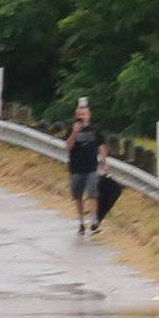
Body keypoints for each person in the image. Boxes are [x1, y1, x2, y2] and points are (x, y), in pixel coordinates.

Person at [65, 99, 108, 237]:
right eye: (79, 114)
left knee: (92, 194)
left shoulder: (95, 130)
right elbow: (68, 147)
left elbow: (101, 147)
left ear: (89, 115)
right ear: (76, 115)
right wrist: (74, 133)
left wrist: (104, 163)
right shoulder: (71, 128)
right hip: (76, 168)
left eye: (84, 114)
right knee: (77, 196)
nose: (82, 116)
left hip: (91, 168)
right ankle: (81, 223)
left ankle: (94, 222)